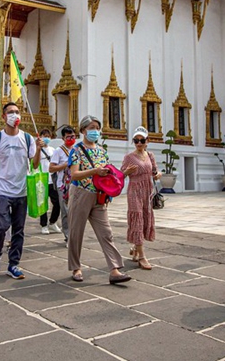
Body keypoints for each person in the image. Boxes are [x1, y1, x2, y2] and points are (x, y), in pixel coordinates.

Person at [67, 115, 131, 284]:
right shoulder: (76, 150)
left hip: (99, 195)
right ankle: (76, 267)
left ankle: (115, 269)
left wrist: (108, 192)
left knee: (106, 232)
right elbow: (74, 174)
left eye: (97, 127)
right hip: (80, 192)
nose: (95, 131)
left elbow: (107, 174)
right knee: (76, 232)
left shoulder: (102, 151)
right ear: (83, 131)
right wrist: (94, 171)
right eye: (91, 128)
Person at [0, 102, 45, 280]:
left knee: (19, 230)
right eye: (10, 112)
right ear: (4, 117)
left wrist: (39, 148)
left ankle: (13, 264)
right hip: (2, 189)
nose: (15, 115)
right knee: (1, 226)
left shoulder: (27, 138)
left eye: (17, 112)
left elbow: (34, 164)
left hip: (22, 190)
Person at [120, 126, 159, 270]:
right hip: (135, 190)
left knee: (145, 219)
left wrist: (157, 175)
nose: (139, 143)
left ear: (147, 141)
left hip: (148, 190)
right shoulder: (129, 157)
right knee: (137, 218)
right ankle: (142, 256)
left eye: (142, 140)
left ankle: (136, 248)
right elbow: (120, 175)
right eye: (136, 140)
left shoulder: (150, 155)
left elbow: (154, 172)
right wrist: (127, 172)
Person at [49, 125, 76, 244]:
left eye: (73, 136)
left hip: (75, 184)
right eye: (68, 137)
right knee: (65, 211)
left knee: (75, 210)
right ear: (63, 138)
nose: (71, 138)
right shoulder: (58, 151)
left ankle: (75, 234)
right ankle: (68, 236)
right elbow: (51, 168)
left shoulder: (77, 150)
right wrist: (65, 165)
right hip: (63, 185)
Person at [37, 128, 61, 235]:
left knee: (57, 203)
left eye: (48, 136)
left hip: (53, 180)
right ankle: (43, 225)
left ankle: (52, 222)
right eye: (44, 136)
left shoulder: (53, 150)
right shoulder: (37, 149)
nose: (46, 138)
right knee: (43, 204)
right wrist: (38, 148)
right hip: (42, 179)